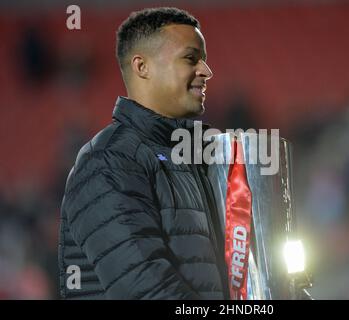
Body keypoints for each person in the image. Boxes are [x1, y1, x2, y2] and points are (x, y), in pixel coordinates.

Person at [58, 7, 229, 299]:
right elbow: (147, 292)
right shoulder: (109, 162)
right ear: (142, 67)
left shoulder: (193, 159)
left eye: (204, 59)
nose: (206, 71)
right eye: (191, 58)